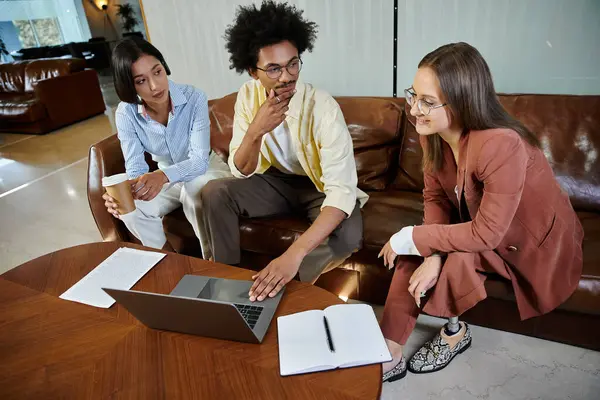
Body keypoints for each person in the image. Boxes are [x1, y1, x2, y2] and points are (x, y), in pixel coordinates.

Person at [379, 42, 583, 382]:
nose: (414, 109)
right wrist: (428, 252)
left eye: (427, 102)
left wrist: (416, 237)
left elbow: (488, 233)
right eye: (413, 95)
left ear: (461, 104)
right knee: (419, 252)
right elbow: (435, 198)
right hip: (481, 222)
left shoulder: (501, 143)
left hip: (530, 243)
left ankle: (455, 334)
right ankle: (389, 350)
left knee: (450, 257)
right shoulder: (433, 134)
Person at [200, 1, 368, 302]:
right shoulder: (248, 97)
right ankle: (227, 285)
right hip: (274, 182)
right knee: (215, 192)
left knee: (349, 236)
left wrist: (293, 255)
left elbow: (341, 191)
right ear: (253, 71)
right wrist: (256, 130)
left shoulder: (323, 107)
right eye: (274, 68)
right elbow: (240, 169)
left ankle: (283, 288)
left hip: (318, 186)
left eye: (293, 63)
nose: (287, 76)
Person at [102, 37, 232, 257]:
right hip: (166, 179)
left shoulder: (194, 98)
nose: (155, 86)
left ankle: (213, 263)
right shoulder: (126, 113)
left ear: (164, 66)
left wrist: (162, 176)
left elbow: (199, 162)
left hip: (206, 170)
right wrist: (123, 195)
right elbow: (136, 169)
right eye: (141, 81)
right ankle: (170, 260)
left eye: (157, 71)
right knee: (130, 209)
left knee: (194, 189)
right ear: (129, 85)